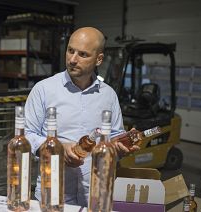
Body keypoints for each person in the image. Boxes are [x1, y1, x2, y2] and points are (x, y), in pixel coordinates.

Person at [24, 26, 139, 207]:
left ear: (99, 59)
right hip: (53, 194)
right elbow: (27, 135)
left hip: (95, 196)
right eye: (70, 51)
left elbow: (114, 137)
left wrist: (120, 146)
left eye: (83, 54)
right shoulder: (43, 90)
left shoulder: (108, 96)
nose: (72, 59)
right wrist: (58, 149)